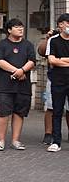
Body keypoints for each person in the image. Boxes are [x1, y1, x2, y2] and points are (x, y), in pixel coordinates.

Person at [0, 19, 35, 151]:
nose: (20, 29)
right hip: (5, 84)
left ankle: (15, 140)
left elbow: (32, 61)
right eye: (17, 27)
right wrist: (16, 71)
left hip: (23, 85)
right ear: (9, 30)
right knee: (3, 112)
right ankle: (1, 141)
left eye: (21, 27)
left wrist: (22, 71)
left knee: (19, 113)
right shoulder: (1, 44)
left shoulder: (28, 45)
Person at [37, 28, 69, 145]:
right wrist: (47, 38)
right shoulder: (53, 39)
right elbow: (42, 52)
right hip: (55, 78)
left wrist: (59, 60)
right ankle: (49, 134)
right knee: (53, 108)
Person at [46, 13, 69, 152]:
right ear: (60, 25)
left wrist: (61, 60)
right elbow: (52, 60)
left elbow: (57, 60)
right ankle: (56, 141)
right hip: (58, 80)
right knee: (57, 111)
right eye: (66, 23)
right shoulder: (53, 40)